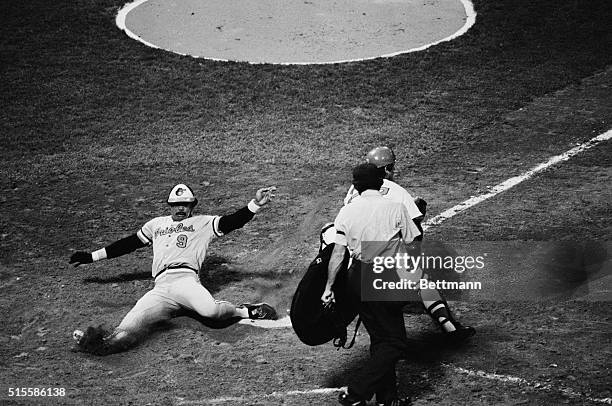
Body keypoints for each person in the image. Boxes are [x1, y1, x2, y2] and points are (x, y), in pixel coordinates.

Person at [69, 183, 279, 355]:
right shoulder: (156, 225)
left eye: (185, 205)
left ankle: (244, 310)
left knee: (212, 312)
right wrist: (91, 256)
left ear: (192, 206)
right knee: (125, 331)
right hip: (160, 290)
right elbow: (128, 244)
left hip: (186, 282)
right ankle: (92, 342)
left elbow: (232, 222)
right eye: (176, 204)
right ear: (170, 205)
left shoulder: (203, 222)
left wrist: (255, 205)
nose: (180, 208)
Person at [331, 146, 475, 342]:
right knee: (423, 281)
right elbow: (415, 233)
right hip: (385, 261)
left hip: (354, 257)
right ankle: (449, 327)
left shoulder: (354, 191)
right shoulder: (398, 193)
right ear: (387, 169)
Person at [322, 163, 421, 406]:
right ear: (380, 183)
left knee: (380, 338)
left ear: (356, 186)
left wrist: (329, 288)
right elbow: (414, 243)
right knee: (396, 342)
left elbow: (337, 255)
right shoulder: (396, 208)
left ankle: (388, 400)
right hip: (384, 276)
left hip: (356, 277)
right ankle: (356, 392)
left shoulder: (346, 212)